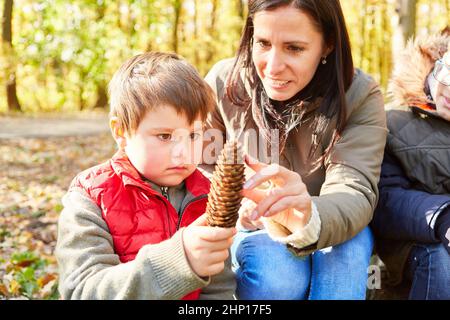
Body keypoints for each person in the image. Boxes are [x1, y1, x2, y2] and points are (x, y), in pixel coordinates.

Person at [200, 0, 387, 300]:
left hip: (331, 224)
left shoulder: (359, 95)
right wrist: (239, 211)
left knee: (347, 252)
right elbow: (197, 173)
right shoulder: (223, 84)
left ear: (327, 45)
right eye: (262, 43)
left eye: (294, 48)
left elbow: (355, 191)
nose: (272, 67)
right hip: (253, 230)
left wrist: (306, 214)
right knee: (278, 277)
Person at [55, 52, 236, 300]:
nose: (182, 153)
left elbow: (219, 290)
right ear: (120, 131)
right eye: (164, 136)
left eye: (194, 135)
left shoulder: (209, 197)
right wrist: (176, 262)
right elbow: (82, 291)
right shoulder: (91, 198)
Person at [371, 31, 450, 300]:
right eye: (446, 71)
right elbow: (385, 201)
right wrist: (442, 217)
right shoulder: (392, 124)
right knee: (441, 258)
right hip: (416, 245)